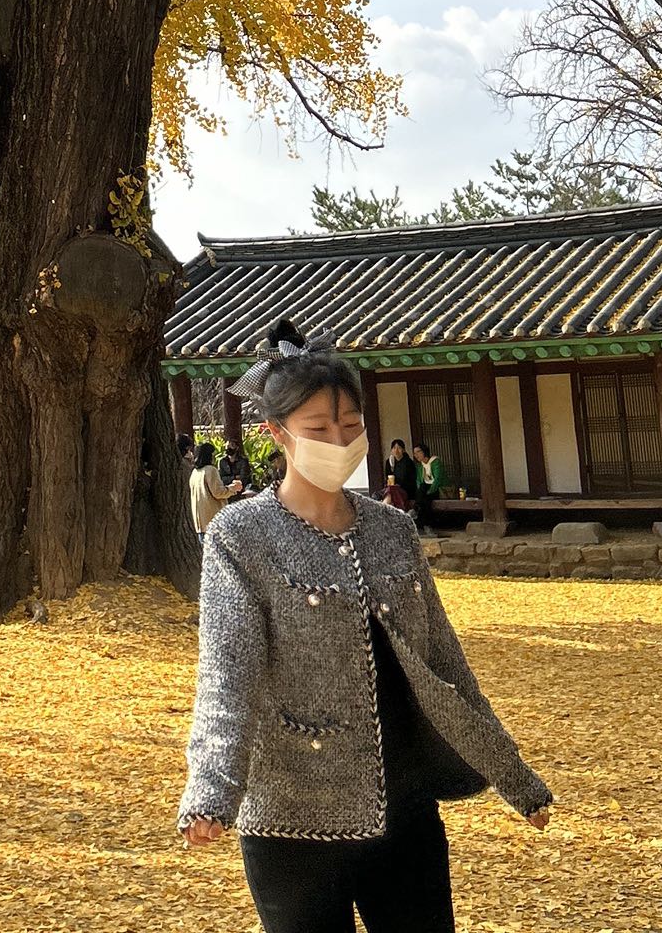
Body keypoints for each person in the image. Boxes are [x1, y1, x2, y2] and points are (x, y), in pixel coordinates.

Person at [177, 318, 551, 933]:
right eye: (319, 429)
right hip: (291, 820)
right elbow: (227, 675)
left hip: (406, 813)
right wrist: (212, 790)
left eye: (350, 426)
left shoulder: (392, 530)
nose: (340, 439)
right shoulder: (239, 537)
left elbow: (446, 665)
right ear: (278, 435)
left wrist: (515, 779)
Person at [189, 441, 243, 543]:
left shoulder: (194, 473)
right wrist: (233, 488)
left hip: (200, 523)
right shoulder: (210, 470)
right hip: (214, 521)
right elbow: (218, 492)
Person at [412, 442, 450, 537]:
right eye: (414, 453)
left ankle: (416, 510)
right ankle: (427, 526)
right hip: (425, 490)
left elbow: (438, 479)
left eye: (418, 452)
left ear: (424, 451)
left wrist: (429, 491)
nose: (416, 455)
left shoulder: (435, 462)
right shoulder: (420, 465)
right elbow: (419, 480)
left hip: (438, 488)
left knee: (425, 499)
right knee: (423, 493)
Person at [385, 439, 418, 505]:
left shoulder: (408, 462)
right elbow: (387, 476)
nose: (396, 451)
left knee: (391, 491)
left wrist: (399, 485)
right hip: (393, 488)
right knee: (377, 494)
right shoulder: (389, 461)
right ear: (391, 450)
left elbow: (412, 480)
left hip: (406, 489)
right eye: (394, 448)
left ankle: (384, 506)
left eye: (399, 448)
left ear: (403, 450)